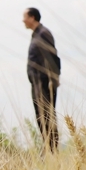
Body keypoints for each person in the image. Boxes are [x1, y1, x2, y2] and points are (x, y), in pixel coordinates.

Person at [23, 8, 60, 152]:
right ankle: (48, 148)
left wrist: (53, 80)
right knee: (40, 117)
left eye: (24, 17)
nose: (23, 20)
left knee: (47, 116)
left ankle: (52, 150)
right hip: (37, 83)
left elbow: (52, 57)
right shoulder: (36, 34)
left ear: (32, 17)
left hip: (44, 83)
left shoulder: (43, 33)